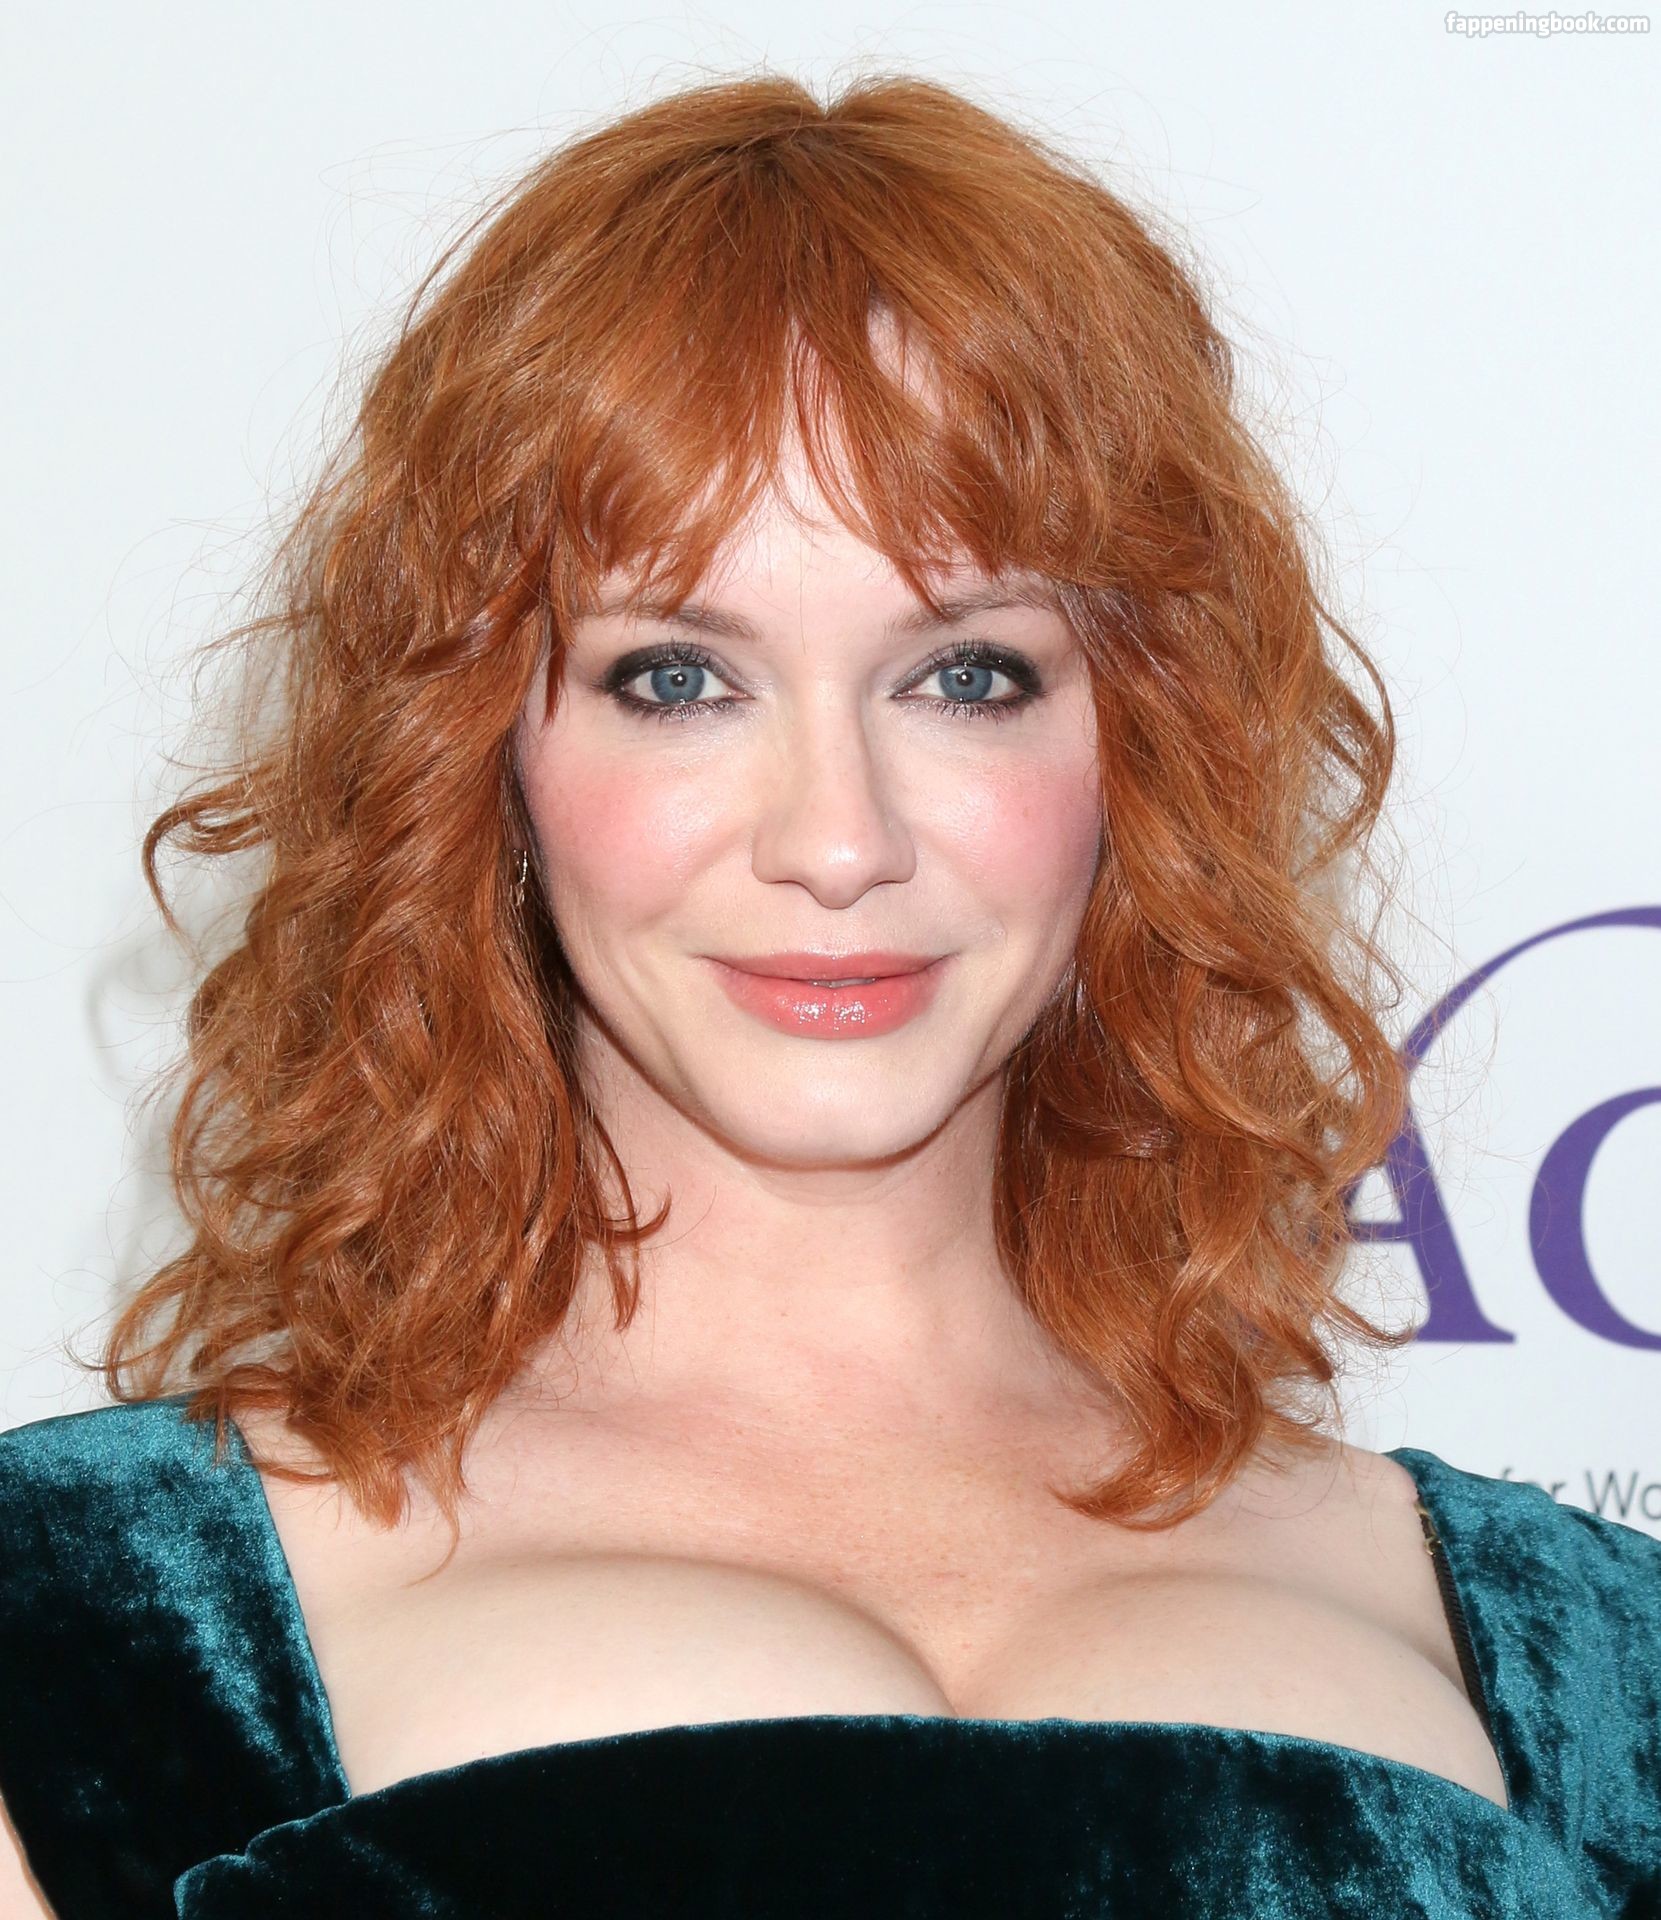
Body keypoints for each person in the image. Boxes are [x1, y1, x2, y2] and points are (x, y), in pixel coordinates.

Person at [0, 68, 1655, 1920]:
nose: (837, 839)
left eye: (965, 676)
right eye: (676, 679)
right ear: (480, 759)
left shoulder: (1586, 1653)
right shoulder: (75, 1615)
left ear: (1142, 744)